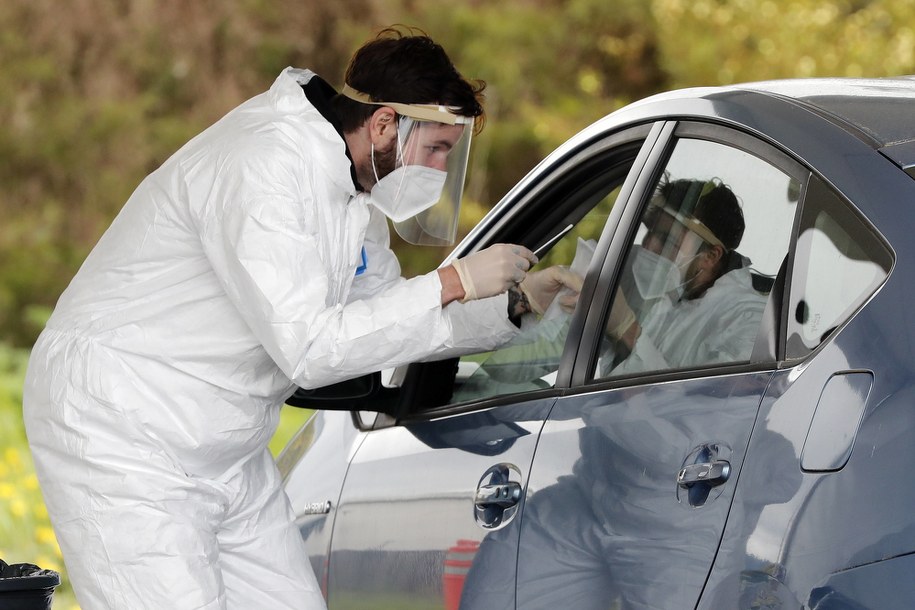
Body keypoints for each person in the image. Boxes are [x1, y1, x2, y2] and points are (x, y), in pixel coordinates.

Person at [22, 27, 568, 609]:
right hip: (123, 426)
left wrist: (514, 305)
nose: (438, 171)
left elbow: (390, 324)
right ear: (385, 124)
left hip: (226, 446)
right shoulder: (264, 165)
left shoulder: (354, 194)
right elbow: (311, 350)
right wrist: (453, 280)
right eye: (435, 149)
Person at [602, 177, 768, 375]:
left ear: (710, 256)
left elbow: (711, 394)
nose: (648, 245)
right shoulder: (667, 293)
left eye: (667, 239)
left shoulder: (748, 319)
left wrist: (627, 329)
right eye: (651, 231)